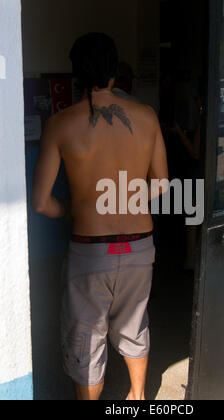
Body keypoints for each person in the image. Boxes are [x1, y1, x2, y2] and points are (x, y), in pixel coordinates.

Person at [31, 33, 168, 401]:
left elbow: (42, 203)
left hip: (91, 252)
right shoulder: (146, 117)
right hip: (139, 247)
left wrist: (74, 208)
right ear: (114, 72)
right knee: (134, 325)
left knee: (86, 337)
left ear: (77, 74)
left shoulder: (60, 124)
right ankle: (138, 397)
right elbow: (161, 184)